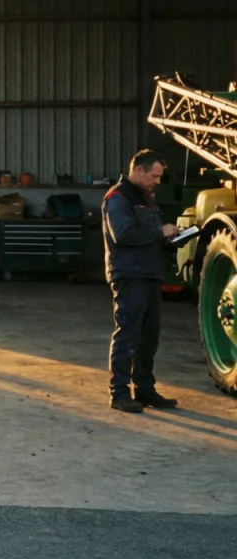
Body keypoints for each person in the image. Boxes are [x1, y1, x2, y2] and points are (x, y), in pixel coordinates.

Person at [102, 149, 180, 414]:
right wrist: (160, 231)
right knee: (128, 334)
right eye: (154, 176)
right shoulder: (118, 198)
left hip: (149, 274)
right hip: (129, 275)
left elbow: (149, 237)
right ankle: (119, 393)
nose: (157, 182)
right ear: (139, 170)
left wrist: (171, 239)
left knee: (149, 336)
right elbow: (123, 234)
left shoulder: (146, 199)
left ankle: (144, 390)